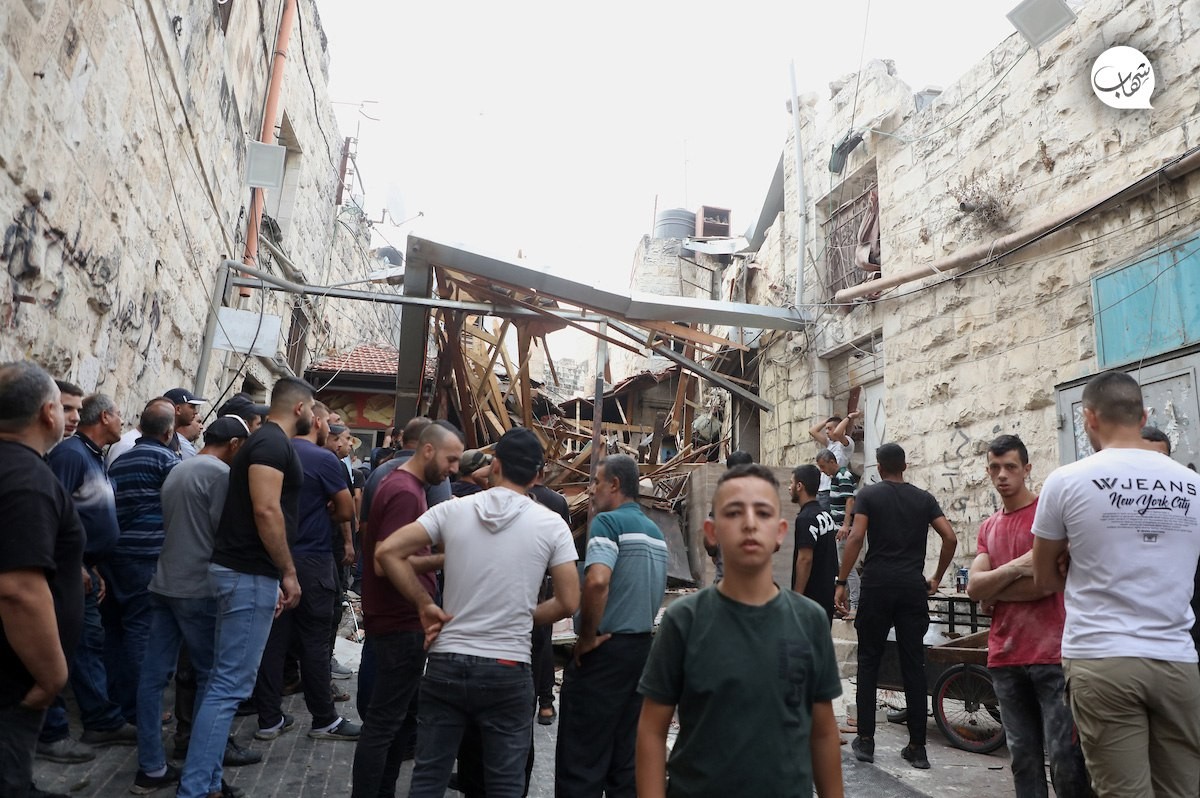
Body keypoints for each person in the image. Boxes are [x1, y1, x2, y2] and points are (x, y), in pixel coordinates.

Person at [376, 427, 580, 797]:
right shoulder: (552, 525)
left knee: (428, 778)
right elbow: (569, 601)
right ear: (538, 475)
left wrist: (425, 605)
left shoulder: (452, 509)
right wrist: (523, 617)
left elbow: (387, 551)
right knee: (505, 783)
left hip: (447, 662)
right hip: (508, 666)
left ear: (495, 465)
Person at [1032, 371, 1200, 796]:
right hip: (1177, 660)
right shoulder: (1194, 486)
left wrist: (1077, 560)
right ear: (1143, 417)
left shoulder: (1066, 481)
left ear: (1089, 418)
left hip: (1101, 657)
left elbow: (1044, 577)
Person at [636, 463, 843, 798]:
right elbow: (651, 730)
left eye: (762, 513)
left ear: (780, 532)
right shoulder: (684, 621)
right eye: (733, 513)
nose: (749, 523)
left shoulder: (809, 621)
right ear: (712, 532)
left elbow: (822, 733)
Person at [177, 376, 312, 798]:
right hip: (247, 573)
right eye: (312, 408)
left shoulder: (265, 442)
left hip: (243, 573)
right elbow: (266, 509)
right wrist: (287, 572)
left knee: (220, 682)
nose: (314, 416)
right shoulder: (271, 444)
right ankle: (196, 788)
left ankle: (207, 782)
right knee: (228, 686)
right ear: (300, 408)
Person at [131, 417, 252, 793]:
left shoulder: (179, 468)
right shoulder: (220, 475)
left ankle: (151, 767)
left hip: (165, 581)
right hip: (198, 588)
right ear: (234, 444)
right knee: (212, 682)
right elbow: (223, 533)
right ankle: (207, 775)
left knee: (153, 678)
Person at [966, 435, 1091, 798]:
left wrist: (995, 589)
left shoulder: (1046, 516)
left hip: (1053, 655)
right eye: (995, 468)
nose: (1002, 475)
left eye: (1010, 467)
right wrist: (1018, 567)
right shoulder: (989, 526)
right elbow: (974, 588)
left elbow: (1045, 584)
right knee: (1023, 759)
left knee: (1066, 760)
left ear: (1027, 469)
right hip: (1005, 657)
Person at [351, 423, 463, 798]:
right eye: (450, 459)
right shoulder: (404, 492)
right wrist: (438, 572)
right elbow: (385, 562)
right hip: (400, 621)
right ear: (428, 450)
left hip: (397, 620)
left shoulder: (404, 486)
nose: (454, 470)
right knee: (385, 723)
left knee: (394, 721)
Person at [835, 442, 956, 770]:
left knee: (868, 662)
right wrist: (936, 577)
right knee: (913, 664)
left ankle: (866, 741)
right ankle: (917, 747)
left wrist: (842, 580)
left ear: (878, 467)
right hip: (911, 589)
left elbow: (856, 537)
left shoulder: (868, 495)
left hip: (876, 586)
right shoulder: (924, 499)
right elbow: (950, 537)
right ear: (905, 466)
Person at [555, 454, 668, 797]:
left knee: (582, 758)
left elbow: (597, 581)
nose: (590, 490)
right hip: (640, 653)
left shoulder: (608, 522)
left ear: (614, 485)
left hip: (604, 650)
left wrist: (586, 637)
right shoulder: (656, 532)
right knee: (625, 760)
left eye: (596, 482)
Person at [0, 362, 85, 798]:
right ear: (48, 413)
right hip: (13, 677)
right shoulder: (28, 480)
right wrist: (52, 676)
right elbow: (18, 590)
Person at [253, 402, 359, 743]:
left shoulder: (269, 452)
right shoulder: (323, 459)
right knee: (315, 641)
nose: (331, 427)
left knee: (273, 641)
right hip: (312, 558)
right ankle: (324, 718)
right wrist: (327, 512)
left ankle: (269, 718)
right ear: (314, 421)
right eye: (328, 420)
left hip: (273, 557)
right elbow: (346, 509)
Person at [38, 394, 134, 764]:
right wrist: (75, 563)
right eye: (119, 415)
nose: (123, 421)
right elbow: (52, 513)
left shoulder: (94, 456)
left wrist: (90, 566)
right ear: (106, 416)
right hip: (66, 571)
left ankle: (101, 719)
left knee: (87, 643)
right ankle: (53, 729)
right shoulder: (71, 455)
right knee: (67, 646)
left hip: (85, 569)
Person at [103, 397, 180, 724]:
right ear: (168, 432)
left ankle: (117, 700)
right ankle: (138, 709)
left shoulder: (120, 461)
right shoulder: (167, 461)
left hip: (115, 555)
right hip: (146, 557)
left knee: (116, 630)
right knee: (139, 630)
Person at [790, 463, 838, 622]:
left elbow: (805, 559)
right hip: (826, 596)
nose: (789, 488)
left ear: (799, 486)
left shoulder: (806, 518)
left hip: (811, 599)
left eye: (791, 483)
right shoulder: (825, 515)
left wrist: (797, 596)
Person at [817, 448, 859, 618]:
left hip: (844, 529)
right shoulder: (835, 478)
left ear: (832, 462)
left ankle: (855, 605)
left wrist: (845, 525)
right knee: (842, 567)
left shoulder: (843, 476)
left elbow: (850, 500)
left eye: (823, 466)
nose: (822, 471)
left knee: (848, 567)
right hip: (839, 528)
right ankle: (846, 605)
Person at [808, 410, 860, 511]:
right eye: (826, 429)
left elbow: (837, 433)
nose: (827, 432)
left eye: (829, 428)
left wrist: (849, 417)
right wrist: (829, 420)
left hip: (832, 488)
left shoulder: (846, 444)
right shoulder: (829, 444)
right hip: (821, 489)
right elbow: (812, 431)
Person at [164, 388, 207, 459]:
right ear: (178, 409)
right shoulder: (162, 436)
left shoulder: (173, 437)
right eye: (192, 407)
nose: (195, 412)